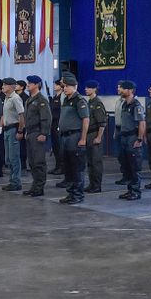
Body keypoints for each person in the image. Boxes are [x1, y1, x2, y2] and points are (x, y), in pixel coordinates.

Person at [56, 75, 90, 205]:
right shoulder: (66, 100)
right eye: (64, 86)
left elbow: (85, 120)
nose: (65, 89)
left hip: (75, 136)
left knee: (76, 168)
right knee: (68, 167)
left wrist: (83, 138)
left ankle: (77, 194)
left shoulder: (79, 100)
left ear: (75, 87)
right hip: (65, 137)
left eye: (67, 86)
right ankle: (71, 193)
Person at [114, 80, 146, 201]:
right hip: (124, 137)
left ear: (130, 91)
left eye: (123, 88)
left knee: (134, 166)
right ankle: (129, 190)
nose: (120, 90)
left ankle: (136, 191)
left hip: (133, 137)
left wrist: (139, 139)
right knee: (126, 164)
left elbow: (142, 123)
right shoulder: (124, 104)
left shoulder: (136, 105)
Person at [22, 75, 51, 197]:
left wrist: (44, 133)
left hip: (38, 133)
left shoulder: (41, 100)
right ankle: (35, 186)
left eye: (30, 83)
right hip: (30, 133)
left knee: (39, 162)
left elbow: (46, 118)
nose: (28, 85)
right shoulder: (29, 100)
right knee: (32, 162)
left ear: (37, 85)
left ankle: (39, 187)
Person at [0, 77, 25, 192]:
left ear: (11, 86)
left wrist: (20, 131)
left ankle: (16, 182)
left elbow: (21, 116)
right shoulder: (7, 98)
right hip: (6, 129)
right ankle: (12, 180)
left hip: (13, 129)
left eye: (5, 85)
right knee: (8, 158)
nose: (2, 87)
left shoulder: (15, 98)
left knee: (14, 157)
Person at [84, 81, 108, 193]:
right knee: (90, 161)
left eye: (88, 88)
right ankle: (92, 183)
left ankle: (97, 185)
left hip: (95, 134)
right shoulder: (89, 102)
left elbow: (102, 122)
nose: (86, 89)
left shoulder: (97, 103)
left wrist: (99, 137)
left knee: (96, 161)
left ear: (94, 89)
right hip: (89, 135)